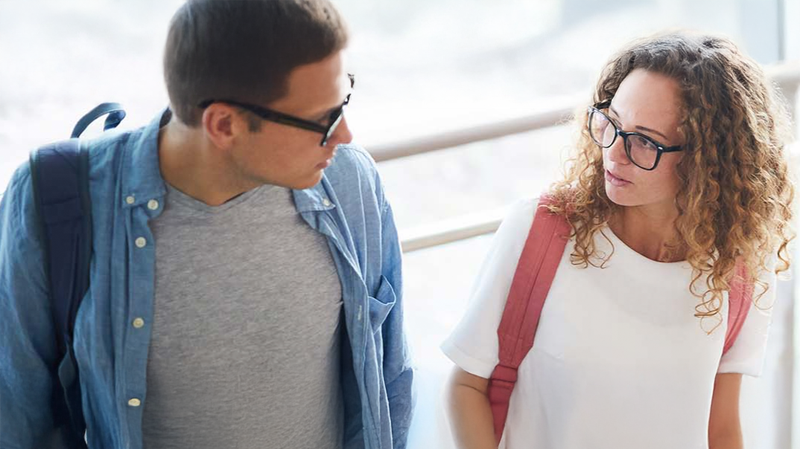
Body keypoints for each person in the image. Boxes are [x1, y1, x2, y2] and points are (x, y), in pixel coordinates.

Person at [0, 1, 413, 448]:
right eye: (323, 119)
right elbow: (15, 415)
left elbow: (389, 380)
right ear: (223, 124)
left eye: (344, 97)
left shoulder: (351, 183)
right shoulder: (55, 201)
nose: (345, 135)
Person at [442, 31, 794, 449]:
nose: (614, 152)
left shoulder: (738, 273)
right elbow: (466, 388)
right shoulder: (541, 231)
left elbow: (719, 429)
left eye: (645, 141)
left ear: (707, 160)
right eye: (612, 122)